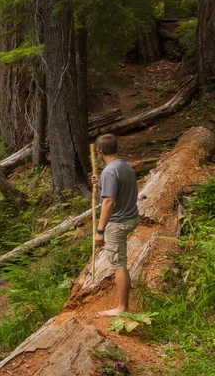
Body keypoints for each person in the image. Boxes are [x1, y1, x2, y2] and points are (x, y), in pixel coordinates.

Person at [91, 134, 140, 317]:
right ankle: (122, 304)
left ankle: (122, 307)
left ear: (99, 152)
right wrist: (100, 183)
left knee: (119, 264)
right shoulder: (124, 166)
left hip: (119, 222)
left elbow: (109, 202)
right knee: (120, 261)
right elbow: (117, 188)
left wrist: (100, 230)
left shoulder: (109, 171)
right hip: (131, 216)